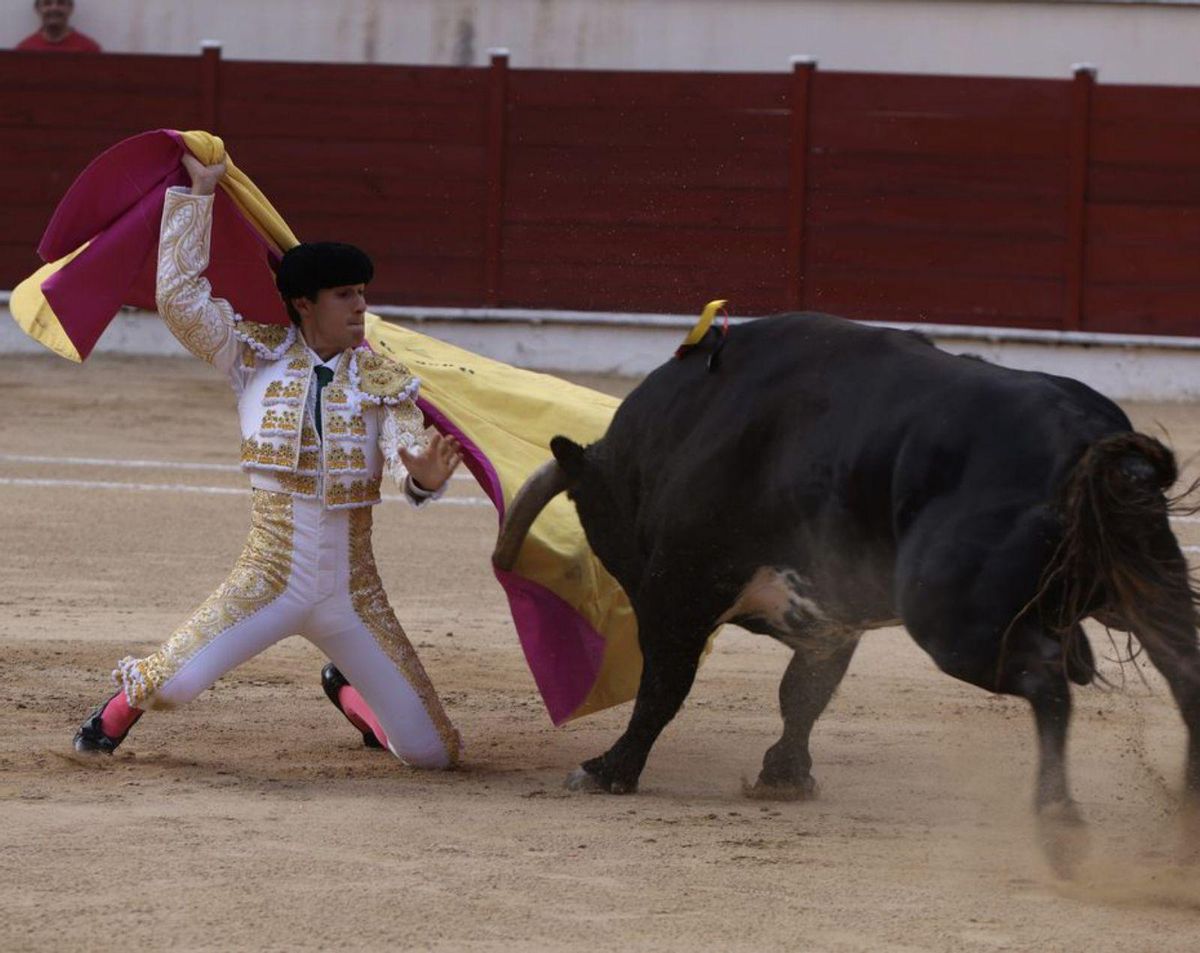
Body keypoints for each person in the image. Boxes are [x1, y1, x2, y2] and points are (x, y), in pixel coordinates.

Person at [72, 153, 464, 769]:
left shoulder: (386, 380)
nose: (361, 307)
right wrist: (198, 195)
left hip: (355, 594)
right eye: (345, 295)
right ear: (305, 304)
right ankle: (118, 711)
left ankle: (350, 694)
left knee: (433, 755)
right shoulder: (253, 355)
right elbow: (178, 298)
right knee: (172, 687)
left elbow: (403, 452)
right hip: (265, 582)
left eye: (363, 293)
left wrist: (420, 478)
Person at [16, 0, 101, 53]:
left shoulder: (90, 50)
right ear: (37, 9)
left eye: (61, 3)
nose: (54, 8)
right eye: (47, 3)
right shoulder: (24, 50)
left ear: (70, 8)